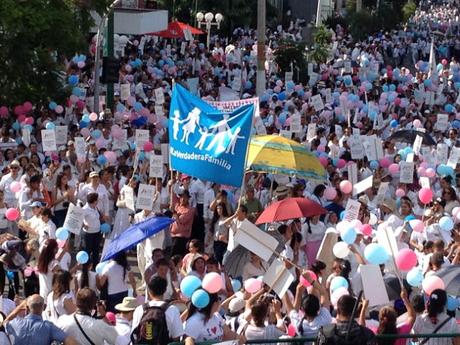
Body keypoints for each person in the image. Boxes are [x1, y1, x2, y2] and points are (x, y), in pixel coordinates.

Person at [4, 294, 77, 345]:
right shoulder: (48, 327)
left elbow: (5, 321)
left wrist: (19, 307)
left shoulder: (16, 323)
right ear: (43, 308)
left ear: (27, 307)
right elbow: (68, 340)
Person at [131, 276, 184, 344]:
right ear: (165, 290)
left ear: (149, 291)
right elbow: (177, 337)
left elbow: (134, 335)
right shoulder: (172, 310)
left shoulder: (139, 309)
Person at [170, 190, 195, 256]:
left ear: (188, 199)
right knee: (172, 256)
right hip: (173, 235)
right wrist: (172, 186)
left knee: (177, 256)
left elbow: (182, 220)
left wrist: (176, 214)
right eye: (181, 197)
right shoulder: (177, 207)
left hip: (182, 237)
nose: (183, 199)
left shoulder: (190, 210)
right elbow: (173, 198)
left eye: (185, 197)